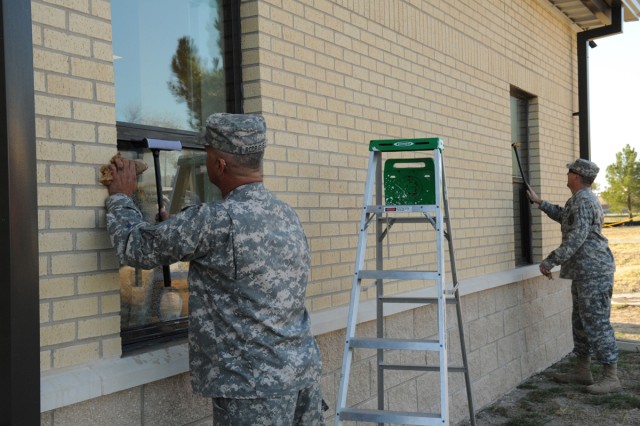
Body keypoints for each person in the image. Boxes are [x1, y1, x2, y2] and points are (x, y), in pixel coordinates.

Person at [105, 113, 325, 425]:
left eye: (207, 153)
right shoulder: (286, 214)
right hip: (303, 375)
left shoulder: (213, 220)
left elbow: (133, 246)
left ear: (219, 165)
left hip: (253, 391)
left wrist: (120, 199)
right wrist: (178, 231)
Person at [526, 158, 620, 395]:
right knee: (580, 323)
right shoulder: (579, 200)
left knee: (597, 323)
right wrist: (540, 203)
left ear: (577, 176)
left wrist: (551, 260)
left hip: (593, 272)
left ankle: (611, 376)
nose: (566, 174)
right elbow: (565, 217)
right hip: (584, 272)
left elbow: (576, 237)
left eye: (569, 171)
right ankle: (582, 370)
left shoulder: (584, 201)